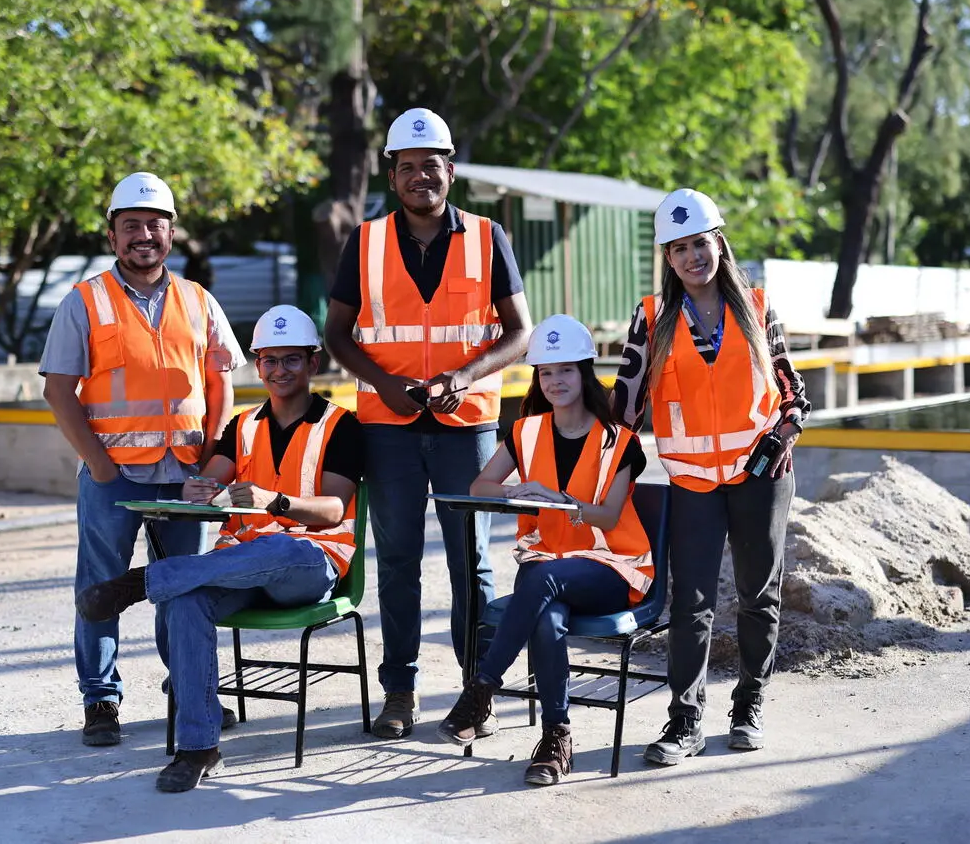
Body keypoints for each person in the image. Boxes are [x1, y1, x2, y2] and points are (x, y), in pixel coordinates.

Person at [74, 305, 365, 792]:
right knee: (188, 600)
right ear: (258, 364)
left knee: (280, 548)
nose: (279, 371)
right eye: (269, 360)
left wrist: (279, 502)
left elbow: (334, 509)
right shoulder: (242, 424)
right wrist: (199, 488)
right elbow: (211, 478)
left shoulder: (342, 425)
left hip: (309, 565)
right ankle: (198, 748)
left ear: (313, 363)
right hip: (239, 569)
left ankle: (144, 581)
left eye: (291, 359)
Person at [323, 107, 532, 739]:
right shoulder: (363, 241)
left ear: (450, 170)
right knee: (398, 562)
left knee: (473, 562)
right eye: (408, 167)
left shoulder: (489, 236)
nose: (421, 177)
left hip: (466, 425)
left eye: (431, 166)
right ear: (392, 175)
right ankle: (401, 692)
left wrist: (460, 379)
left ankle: (478, 690)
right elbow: (337, 333)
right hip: (387, 428)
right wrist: (387, 383)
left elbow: (520, 332)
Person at [40, 171, 245, 747]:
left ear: (171, 234)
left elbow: (221, 385)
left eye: (155, 225)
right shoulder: (84, 301)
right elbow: (59, 391)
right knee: (101, 588)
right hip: (114, 480)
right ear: (112, 235)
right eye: (131, 225)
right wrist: (101, 467)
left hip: (185, 478)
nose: (144, 236)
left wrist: (211, 460)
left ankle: (189, 688)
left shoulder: (199, 301)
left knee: (183, 588)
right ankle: (101, 702)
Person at [611, 188, 810, 765]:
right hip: (693, 482)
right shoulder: (651, 319)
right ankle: (685, 721)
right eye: (679, 249)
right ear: (667, 259)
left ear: (717, 244)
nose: (693, 256)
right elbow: (625, 405)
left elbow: (792, 391)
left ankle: (749, 703)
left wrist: (782, 438)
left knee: (757, 595)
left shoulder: (757, 305)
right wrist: (561, 406)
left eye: (700, 243)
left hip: (761, 474)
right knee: (691, 604)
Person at [434, 315, 652, 786]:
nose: (555, 381)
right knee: (547, 614)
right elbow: (480, 484)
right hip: (546, 563)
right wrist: (519, 491)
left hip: (611, 566)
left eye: (566, 371)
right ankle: (557, 738)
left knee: (542, 582)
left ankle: (482, 689)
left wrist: (567, 504)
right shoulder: (525, 431)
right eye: (546, 372)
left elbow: (610, 518)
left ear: (585, 373)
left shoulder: (621, 441)